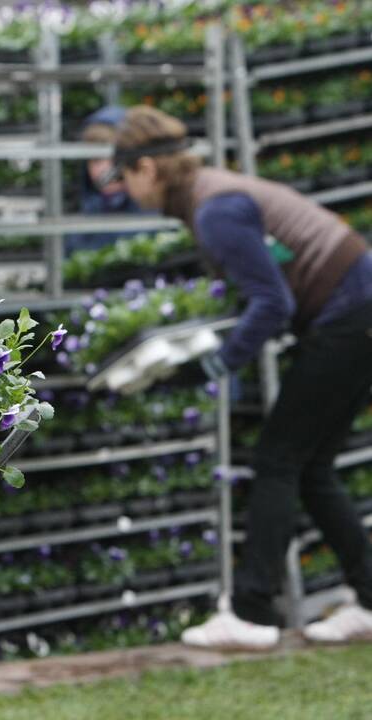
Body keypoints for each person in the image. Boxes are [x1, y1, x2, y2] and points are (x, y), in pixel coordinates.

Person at [109, 105, 372, 649]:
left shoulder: (215, 209)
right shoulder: (210, 194)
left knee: (277, 460)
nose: (126, 190)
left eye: (126, 177)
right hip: (355, 313)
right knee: (311, 465)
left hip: (349, 317)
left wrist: (216, 364)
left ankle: (251, 614)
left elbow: (271, 303)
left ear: (148, 169)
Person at [64, 105, 152, 256]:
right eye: (96, 160)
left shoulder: (153, 214)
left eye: (112, 159)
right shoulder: (85, 219)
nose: (104, 169)